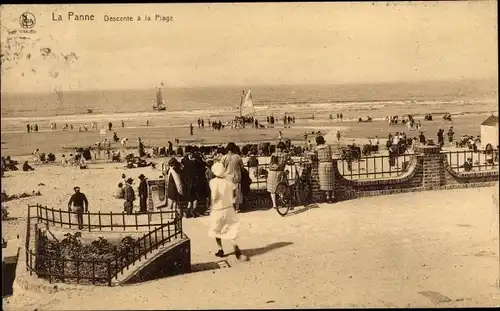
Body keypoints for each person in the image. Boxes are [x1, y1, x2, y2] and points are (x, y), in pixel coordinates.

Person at [208, 162, 248, 261]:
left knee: (217, 230)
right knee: (229, 230)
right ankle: (235, 247)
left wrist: (212, 205)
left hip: (218, 209)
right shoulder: (229, 181)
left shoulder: (213, 182)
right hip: (229, 208)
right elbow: (234, 194)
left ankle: (220, 249)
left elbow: (213, 197)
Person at [267, 141, 293, 210]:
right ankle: (284, 201)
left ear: (277, 148)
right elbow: (291, 162)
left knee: (273, 189)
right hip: (280, 173)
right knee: (283, 188)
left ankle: (274, 205)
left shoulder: (273, 154)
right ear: (283, 148)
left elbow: (271, 164)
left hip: (272, 173)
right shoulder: (285, 155)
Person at [221, 142, 244, 213]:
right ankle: (237, 208)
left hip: (227, 177)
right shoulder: (238, 157)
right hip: (236, 177)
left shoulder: (224, 157)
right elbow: (242, 167)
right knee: (237, 193)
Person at [314, 136, 335, 203]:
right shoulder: (328, 146)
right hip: (330, 164)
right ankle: (332, 197)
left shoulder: (317, 148)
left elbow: (314, 154)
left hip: (322, 164)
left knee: (323, 182)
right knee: (330, 181)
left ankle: (326, 197)